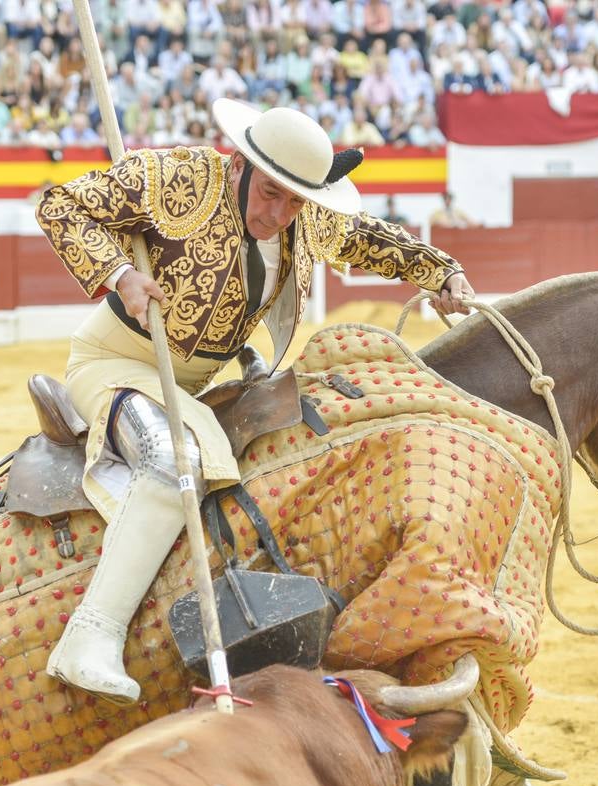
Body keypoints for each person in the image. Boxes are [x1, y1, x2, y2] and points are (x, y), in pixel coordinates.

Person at [35, 99, 474, 704]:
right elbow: (62, 205)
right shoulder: (182, 178)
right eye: (271, 193)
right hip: (119, 362)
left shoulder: (304, 217)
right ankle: (89, 636)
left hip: (200, 380)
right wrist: (118, 274)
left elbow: (369, 240)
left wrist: (442, 272)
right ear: (240, 164)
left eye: (296, 200)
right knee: (172, 460)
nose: (279, 213)